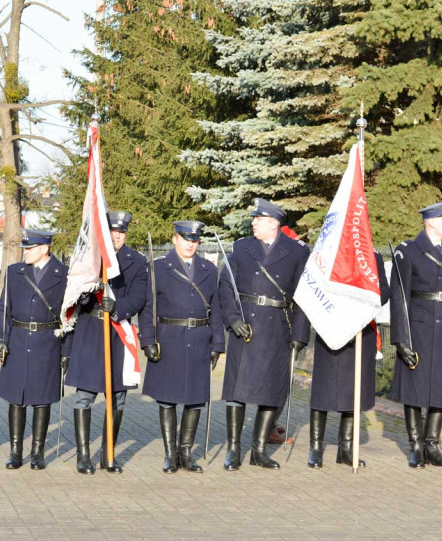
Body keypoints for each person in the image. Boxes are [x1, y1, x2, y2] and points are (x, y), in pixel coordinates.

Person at [218, 198, 310, 471]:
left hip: (277, 328)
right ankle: (234, 450)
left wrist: (300, 334)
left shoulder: (296, 252)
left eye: (259, 219)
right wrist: (233, 319)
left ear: (273, 223)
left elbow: (303, 296)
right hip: (246, 325)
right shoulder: (242, 247)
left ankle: (259, 450)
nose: (253, 223)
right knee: (237, 391)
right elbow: (226, 285)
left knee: (273, 391)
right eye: (254, 219)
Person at [63, 211, 149, 475]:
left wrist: (119, 306)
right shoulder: (91, 259)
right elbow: (74, 295)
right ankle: (83, 456)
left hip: (118, 333)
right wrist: (88, 294)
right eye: (112, 232)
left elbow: (139, 297)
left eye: (121, 233)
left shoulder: (136, 261)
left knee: (117, 399)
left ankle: (108, 454)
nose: (117, 236)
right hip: (90, 332)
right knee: (84, 397)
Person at [139, 221, 224, 474]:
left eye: (195, 240)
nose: (190, 243)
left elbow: (216, 309)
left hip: (199, 338)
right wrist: (147, 341)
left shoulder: (209, 269)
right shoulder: (158, 268)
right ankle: (170, 454)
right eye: (186, 238)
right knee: (167, 400)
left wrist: (218, 343)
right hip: (168, 339)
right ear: (175, 238)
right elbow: (148, 309)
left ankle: (186, 453)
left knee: (195, 399)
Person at [389, 200, 442, 469]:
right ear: (432, 222)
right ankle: (416, 446)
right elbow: (399, 297)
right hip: (418, 327)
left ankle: (432, 445)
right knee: (415, 388)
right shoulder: (408, 251)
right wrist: (400, 337)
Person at [0, 230, 68, 470]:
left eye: (30, 248)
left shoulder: (63, 274)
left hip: (48, 341)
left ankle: (37, 452)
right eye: (25, 248)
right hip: (18, 339)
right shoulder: (15, 272)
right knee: (17, 398)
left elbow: (71, 315)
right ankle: (15, 451)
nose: (26, 252)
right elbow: (3, 307)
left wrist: (67, 351)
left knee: (42, 400)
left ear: (44, 248)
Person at [308, 250, 390, 468]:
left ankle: (345, 448)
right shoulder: (329, 251)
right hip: (332, 328)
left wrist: (364, 299)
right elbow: (315, 287)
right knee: (323, 391)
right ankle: (316, 447)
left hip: (361, 331)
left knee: (354, 392)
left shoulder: (373, 257)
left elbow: (385, 291)